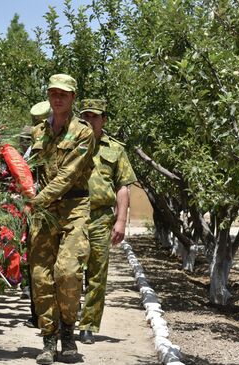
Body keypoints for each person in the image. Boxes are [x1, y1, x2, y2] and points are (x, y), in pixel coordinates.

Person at [27, 74, 95, 364]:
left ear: (73, 98)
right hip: (44, 213)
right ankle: (48, 338)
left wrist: (37, 199)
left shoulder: (84, 132)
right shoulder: (38, 132)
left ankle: (68, 332)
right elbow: (28, 168)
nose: (57, 98)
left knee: (67, 272)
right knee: (41, 277)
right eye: (53, 93)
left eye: (63, 94)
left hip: (73, 208)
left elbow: (67, 176)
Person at [77, 99, 137, 345]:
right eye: (85, 116)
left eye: (94, 116)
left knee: (96, 273)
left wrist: (120, 220)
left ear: (104, 119)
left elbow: (123, 186)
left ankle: (88, 324)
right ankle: (65, 320)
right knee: (67, 271)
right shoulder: (70, 143)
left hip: (101, 217)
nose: (89, 120)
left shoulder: (115, 149)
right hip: (72, 215)